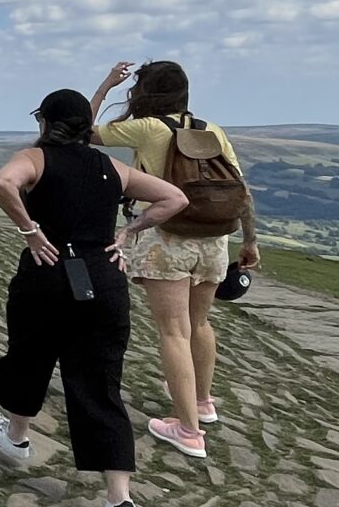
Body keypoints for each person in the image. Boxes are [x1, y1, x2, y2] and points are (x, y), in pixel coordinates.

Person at [0, 89, 189, 507]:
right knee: (101, 381)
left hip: (47, 273)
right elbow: (174, 199)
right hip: (104, 279)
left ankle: (16, 438)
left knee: (30, 356)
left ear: (46, 122)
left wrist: (30, 230)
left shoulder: (36, 159)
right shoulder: (112, 167)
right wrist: (130, 231)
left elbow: (4, 183)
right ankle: (120, 500)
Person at [89, 60, 258, 464]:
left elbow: (83, 131)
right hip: (214, 238)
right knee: (199, 324)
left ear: (145, 92)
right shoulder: (210, 129)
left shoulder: (148, 128)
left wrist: (106, 86)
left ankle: (187, 432)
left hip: (167, 236)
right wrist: (250, 240)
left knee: (173, 332)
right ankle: (201, 403)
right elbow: (242, 190)